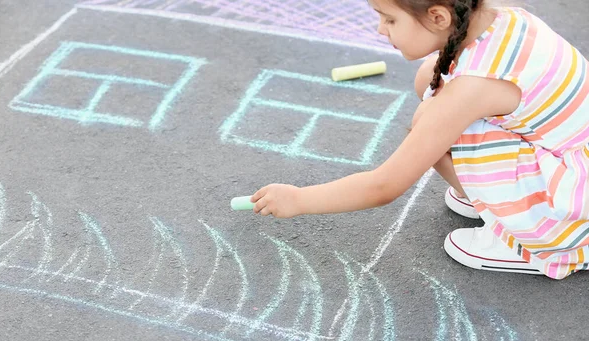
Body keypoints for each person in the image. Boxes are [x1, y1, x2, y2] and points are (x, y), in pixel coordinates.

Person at [250, 0, 589, 279]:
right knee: (430, 82)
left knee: (431, 121)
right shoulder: (500, 17)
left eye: (389, 20)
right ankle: (500, 201)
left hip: (572, 200)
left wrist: (298, 200)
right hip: (567, 159)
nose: (381, 30)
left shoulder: (476, 85)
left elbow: (383, 186)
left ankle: (531, 242)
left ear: (439, 16)